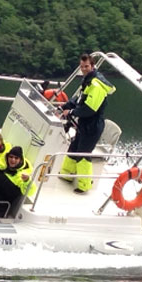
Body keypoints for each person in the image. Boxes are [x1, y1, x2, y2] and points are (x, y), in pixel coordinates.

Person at [59, 54, 116, 193]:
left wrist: (71, 112)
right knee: (74, 146)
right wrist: (64, 106)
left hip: (93, 125)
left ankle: (84, 185)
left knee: (83, 153)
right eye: (82, 67)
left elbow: (89, 109)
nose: (84, 69)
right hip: (85, 124)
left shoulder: (96, 85)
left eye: (86, 66)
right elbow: (78, 99)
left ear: (93, 66)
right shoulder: (88, 81)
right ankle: (67, 174)